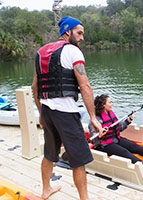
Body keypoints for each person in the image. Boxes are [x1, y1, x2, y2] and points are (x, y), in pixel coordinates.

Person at [32, 16, 104, 200]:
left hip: (47, 111)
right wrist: (93, 117)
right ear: (67, 32)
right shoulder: (72, 51)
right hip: (66, 113)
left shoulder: (41, 52)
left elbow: (35, 86)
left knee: (50, 153)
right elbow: (85, 85)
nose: (81, 38)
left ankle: (46, 189)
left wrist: (40, 113)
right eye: (79, 33)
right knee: (78, 160)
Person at [88, 94, 143, 168]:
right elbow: (94, 141)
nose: (112, 104)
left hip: (116, 139)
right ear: (103, 105)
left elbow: (120, 128)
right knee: (124, 152)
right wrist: (100, 135)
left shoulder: (110, 114)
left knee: (134, 146)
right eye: (110, 102)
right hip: (104, 145)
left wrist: (129, 120)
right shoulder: (95, 120)